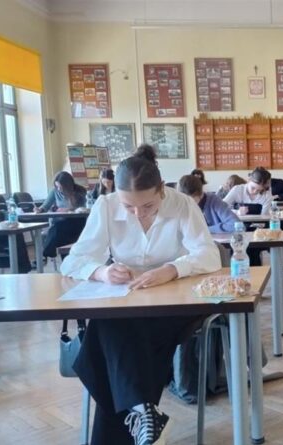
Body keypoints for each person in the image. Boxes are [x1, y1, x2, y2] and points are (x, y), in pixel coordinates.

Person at [61, 144, 221, 445]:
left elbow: (209, 255)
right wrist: (102, 272)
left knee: (106, 334)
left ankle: (139, 412)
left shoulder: (181, 204)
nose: (138, 214)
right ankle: (145, 413)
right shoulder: (106, 206)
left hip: (177, 304)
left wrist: (172, 269)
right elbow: (74, 260)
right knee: (112, 323)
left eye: (147, 206)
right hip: (129, 301)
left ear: (161, 190)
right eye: (128, 206)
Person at [37, 171, 88, 259]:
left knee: (57, 229)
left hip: (77, 222)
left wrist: (69, 209)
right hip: (62, 222)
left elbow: (84, 208)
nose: (59, 189)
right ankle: (63, 259)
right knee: (60, 232)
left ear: (67, 186)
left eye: (60, 187)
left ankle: (45, 254)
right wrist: (39, 209)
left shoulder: (80, 191)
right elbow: (45, 205)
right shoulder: (55, 192)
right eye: (57, 186)